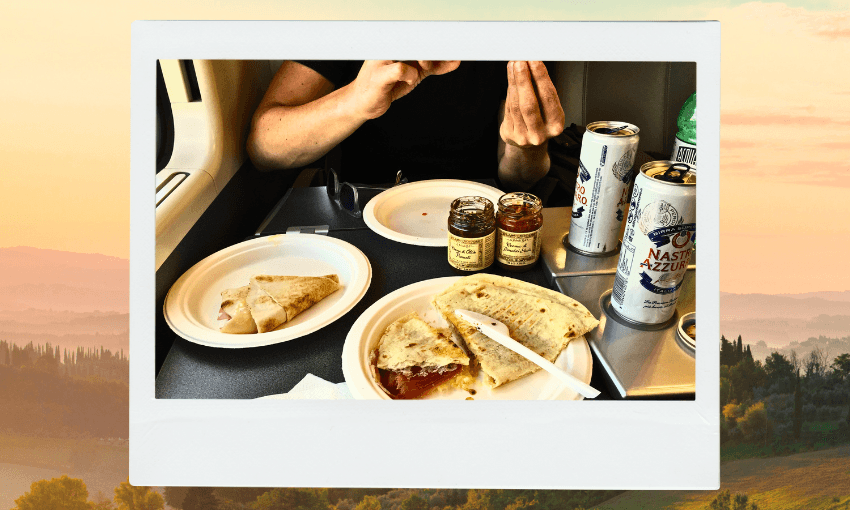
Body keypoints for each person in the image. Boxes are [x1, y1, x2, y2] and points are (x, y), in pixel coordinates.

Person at [247, 60, 564, 191]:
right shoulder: (346, 11)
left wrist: (525, 147)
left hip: (480, 214)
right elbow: (265, 148)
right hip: (365, 207)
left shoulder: (518, 19)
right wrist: (358, 99)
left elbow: (521, 178)